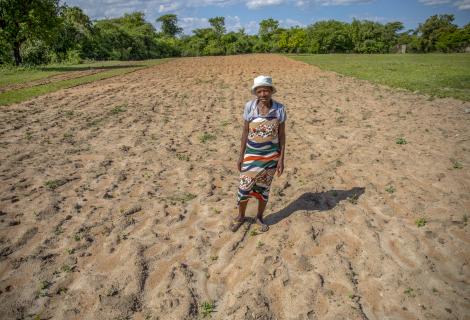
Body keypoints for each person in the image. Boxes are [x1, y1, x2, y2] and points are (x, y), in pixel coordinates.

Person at [229, 75, 287, 232]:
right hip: (251, 155)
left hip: (270, 157)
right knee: (244, 187)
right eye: (259, 91)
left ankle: (259, 217)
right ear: (255, 93)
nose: (263, 94)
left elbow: (281, 136)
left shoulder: (279, 109)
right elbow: (245, 132)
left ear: (271, 92)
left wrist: (281, 159)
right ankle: (241, 216)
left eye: (266, 91)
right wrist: (241, 156)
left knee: (263, 189)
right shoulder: (249, 107)